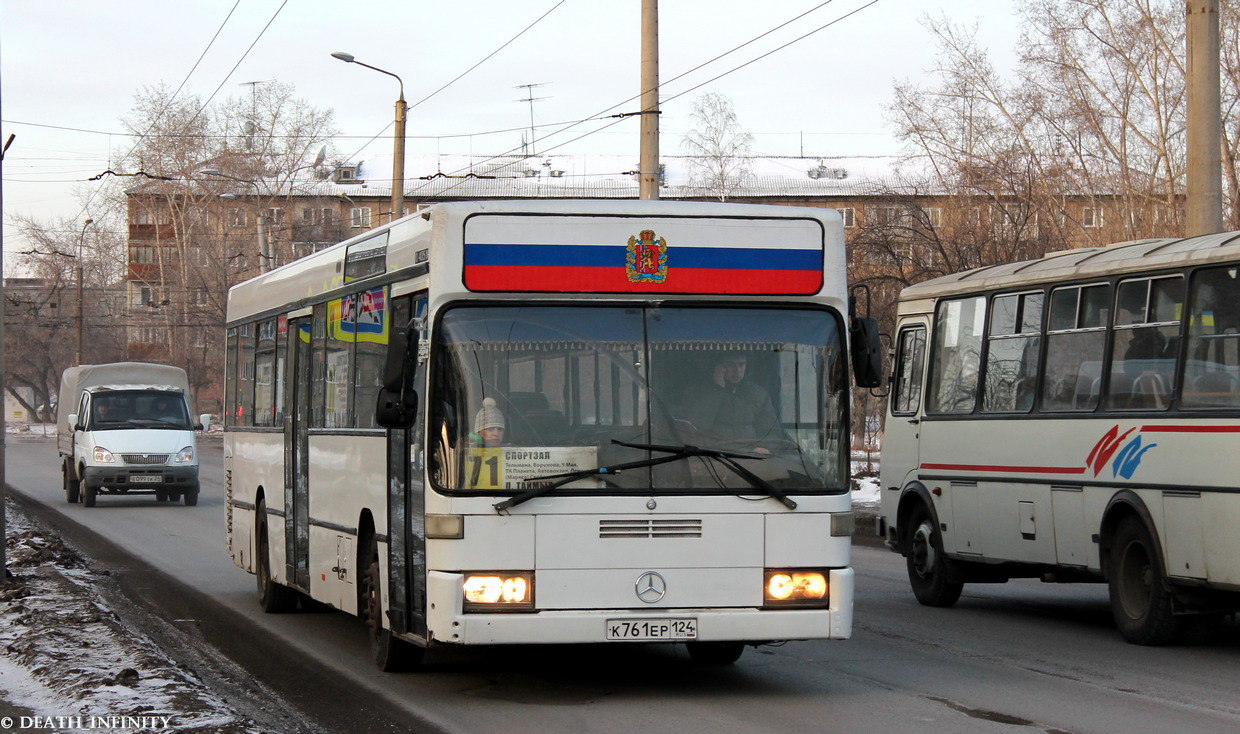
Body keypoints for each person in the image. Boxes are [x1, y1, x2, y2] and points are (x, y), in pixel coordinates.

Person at [683, 352, 782, 452]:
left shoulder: (758, 394)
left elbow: (772, 431)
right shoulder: (699, 392)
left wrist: (764, 447)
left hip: (751, 457)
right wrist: (718, 389)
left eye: (741, 364)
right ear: (719, 367)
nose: (737, 371)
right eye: (731, 365)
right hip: (712, 456)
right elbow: (696, 426)